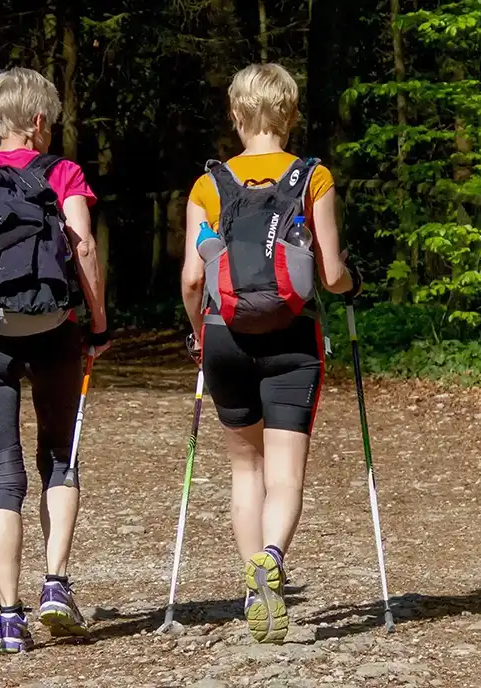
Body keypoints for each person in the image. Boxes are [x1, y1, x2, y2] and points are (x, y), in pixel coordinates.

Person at [180, 63, 361, 644]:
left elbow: (191, 278)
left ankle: (256, 591)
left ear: (236, 115)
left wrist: (197, 335)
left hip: (224, 336)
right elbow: (330, 275)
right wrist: (352, 284)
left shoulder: (208, 186)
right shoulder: (314, 177)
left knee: (244, 468)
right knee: (285, 475)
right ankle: (274, 556)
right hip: (292, 338)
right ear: (290, 115)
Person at [0, 67, 110, 654]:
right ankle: (56, 583)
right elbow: (82, 248)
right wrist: (99, 322)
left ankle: (9, 617)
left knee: (1, 475)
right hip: (55, 329)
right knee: (59, 455)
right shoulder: (63, 174)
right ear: (39, 122)